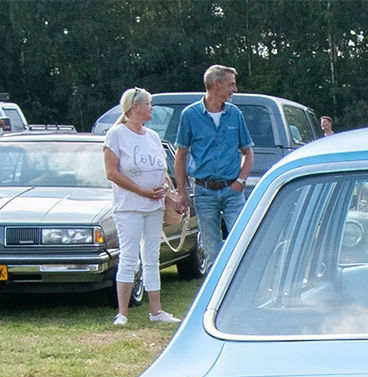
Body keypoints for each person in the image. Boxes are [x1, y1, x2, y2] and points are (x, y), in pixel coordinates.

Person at [103, 87, 180, 326]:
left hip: (154, 206)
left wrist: (166, 190)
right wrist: (142, 191)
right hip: (129, 207)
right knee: (129, 256)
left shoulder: (153, 137)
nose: (151, 109)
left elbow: (162, 170)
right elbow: (112, 173)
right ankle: (123, 312)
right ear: (135, 107)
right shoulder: (116, 134)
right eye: (148, 104)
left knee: (151, 257)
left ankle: (156, 310)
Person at [173, 64, 254, 268]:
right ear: (216, 85)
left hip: (232, 190)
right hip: (204, 191)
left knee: (241, 243)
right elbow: (180, 153)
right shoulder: (190, 115)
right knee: (211, 249)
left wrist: (240, 181)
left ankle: (240, 292)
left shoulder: (235, 114)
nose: (234, 89)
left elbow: (248, 152)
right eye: (231, 84)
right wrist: (181, 192)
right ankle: (213, 297)